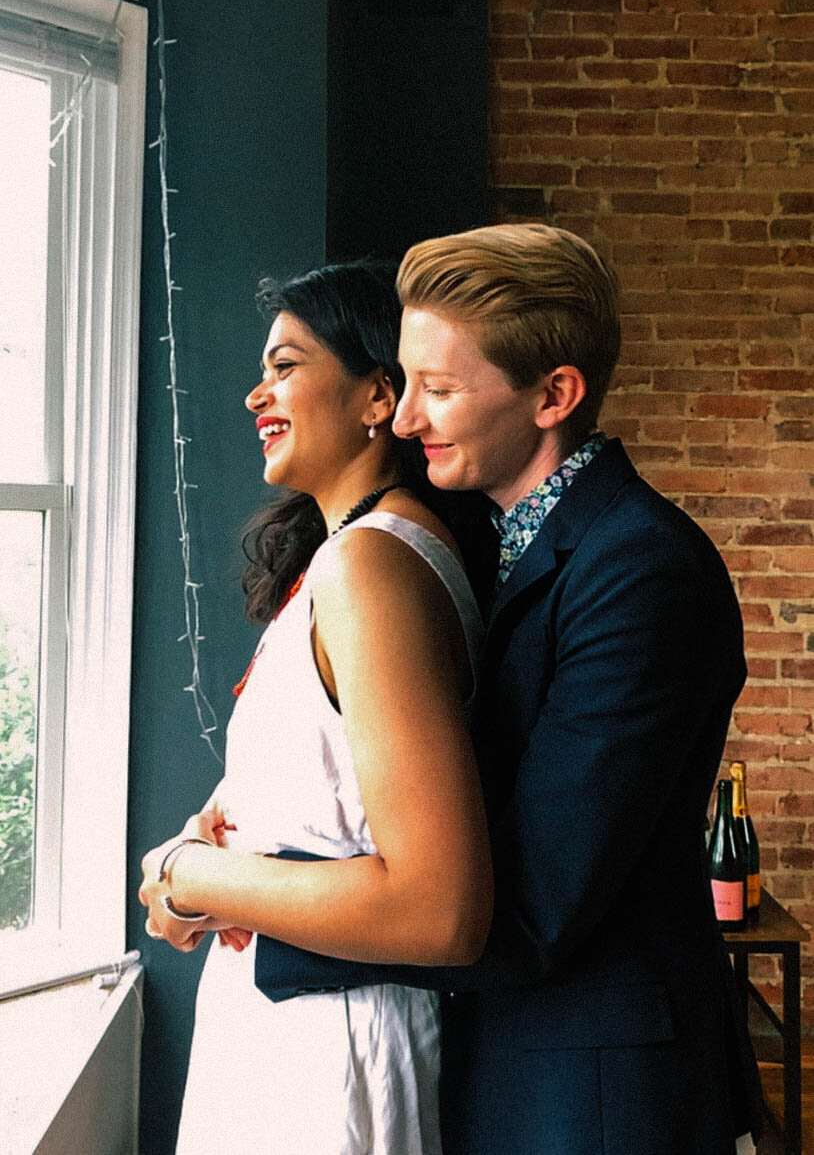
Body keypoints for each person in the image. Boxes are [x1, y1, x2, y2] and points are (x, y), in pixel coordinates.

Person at [389, 222, 763, 1155]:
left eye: (437, 389)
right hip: (518, 1065)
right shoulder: (493, 548)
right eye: (404, 383)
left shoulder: (642, 569)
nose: (404, 419)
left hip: (601, 1098)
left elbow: (535, 902)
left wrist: (263, 918)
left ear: (554, 394)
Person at [138, 259, 492, 1155]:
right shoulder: (347, 560)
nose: (257, 392)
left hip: (331, 1058)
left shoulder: (372, 564)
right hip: (290, 1045)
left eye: (287, 364)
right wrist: (201, 862)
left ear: (380, 395)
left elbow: (438, 907)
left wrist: (194, 876)